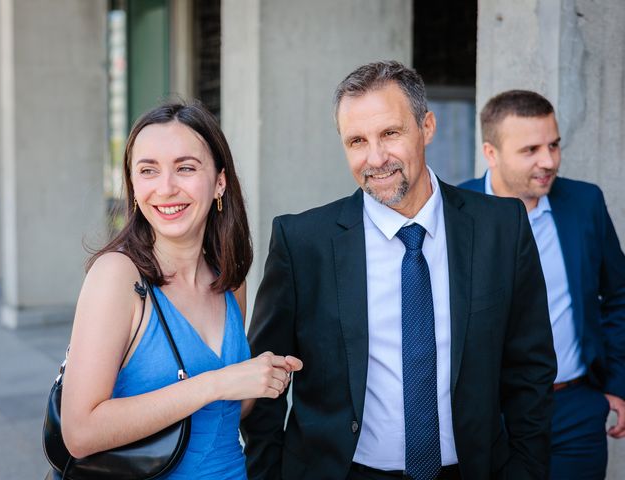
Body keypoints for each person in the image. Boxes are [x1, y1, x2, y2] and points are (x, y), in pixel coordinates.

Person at [241, 61, 556, 480]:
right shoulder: (302, 242)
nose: (375, 158)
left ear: (426, 127)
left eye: (390, 133)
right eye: (356, 141)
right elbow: (266, 380)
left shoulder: (502, 226)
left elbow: (529, 368)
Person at [60, 101, 302, 479]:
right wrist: (217, 382)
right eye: (148, 171)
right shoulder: (117, 276)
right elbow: (80, 432)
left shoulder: (229, 277)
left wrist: (261, 376)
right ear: (134, 187)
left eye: (186, 168)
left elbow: (228, 412)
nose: (166, 188)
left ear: (220, 181)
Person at [460, 89, 625, 479]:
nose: (548, 161)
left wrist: (617, 384)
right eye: (530, 149)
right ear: (491, 153)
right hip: (488, 415)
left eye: (553, 145)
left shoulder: (585, 203)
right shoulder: (455, 211)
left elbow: (618, 295)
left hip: (574, 408)